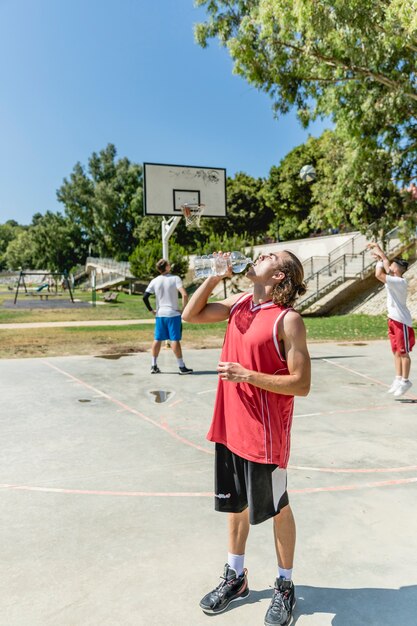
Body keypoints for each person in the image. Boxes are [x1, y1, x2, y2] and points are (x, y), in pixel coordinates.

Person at [182, 251, 311, 626]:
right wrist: (214, 276)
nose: (259, 256)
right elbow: (191, 314)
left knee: (278, 508)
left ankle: (285, 586)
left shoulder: (288, 321)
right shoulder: (240, 303)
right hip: (229, 426)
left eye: (270, 256)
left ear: (280, 276)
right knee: (234, 506)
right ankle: (235, 577)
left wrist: (248, 375)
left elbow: (301, 385)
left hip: (265, 436)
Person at [368, 243, 414, 397]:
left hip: (402, 322)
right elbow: (386, 264)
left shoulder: (399, 282)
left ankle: (406, 381)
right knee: (396, 351)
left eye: (392, 266)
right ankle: (398, 378)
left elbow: (378, 274)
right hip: (392, 319)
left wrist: (379, 260)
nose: (390, 266)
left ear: (397, 269)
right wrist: (379, 253)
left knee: (403, 352)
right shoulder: (394, 278)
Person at [143, 259, 193, 375]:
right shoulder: (175, 278)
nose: (170, 265)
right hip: (173, 314)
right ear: (166, 267)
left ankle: (153, 365)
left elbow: (145, 297)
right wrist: (184, 309)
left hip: (160, 315)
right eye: (168, 264)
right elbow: (184, 294)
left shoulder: (155, 281)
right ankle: (181, 367)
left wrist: (151, 310)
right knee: (174, 340)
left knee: (157, 339)